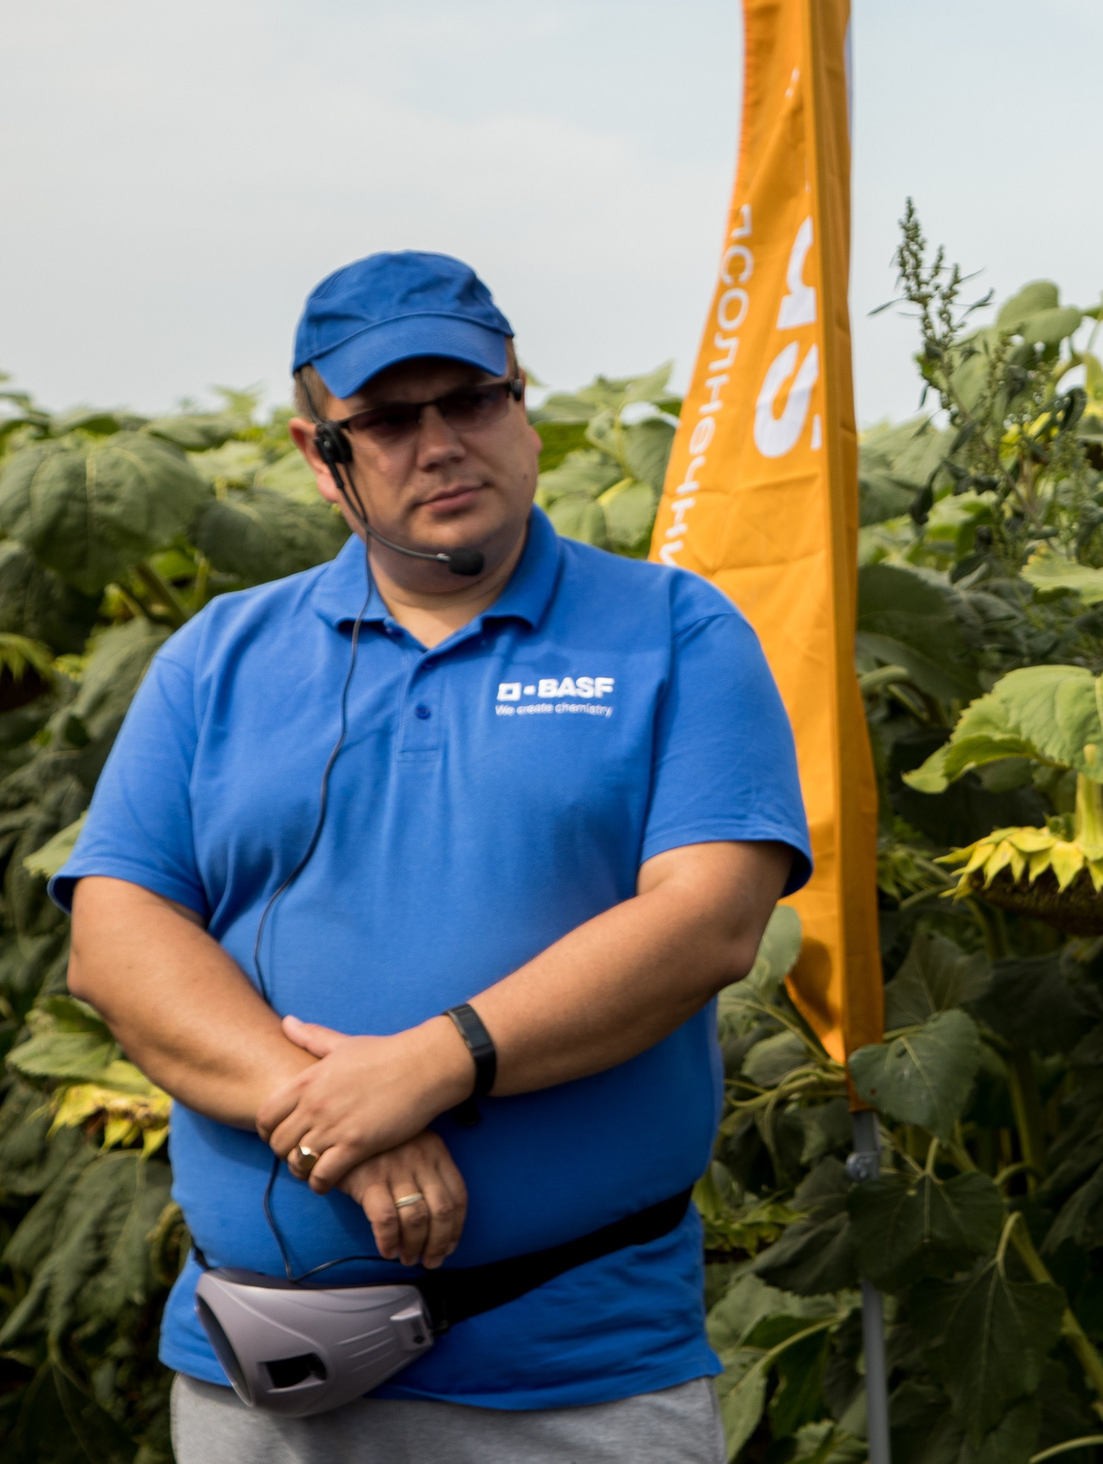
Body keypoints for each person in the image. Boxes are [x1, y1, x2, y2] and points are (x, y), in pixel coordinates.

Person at [56, 250, 812, 1462]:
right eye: (390, 420)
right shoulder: (218, 655)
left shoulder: (674, 630)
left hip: (577, 1380)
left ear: (523, 405)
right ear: (322, 457)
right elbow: (118, 933)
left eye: (472, 400)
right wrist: (335, 1111)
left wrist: (438, 1059)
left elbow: (709, 919)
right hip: (259, 1383)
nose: (442, 442)